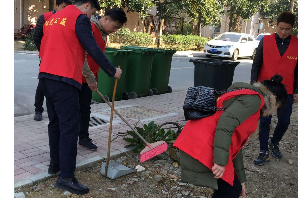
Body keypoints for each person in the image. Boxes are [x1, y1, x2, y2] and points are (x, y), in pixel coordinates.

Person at [38, 0, 122, 195]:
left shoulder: (54, 18)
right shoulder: (80, 19)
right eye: (93, 11)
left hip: (45, 76)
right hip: (64, 78)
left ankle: (55, 166)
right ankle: (66, 178)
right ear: (86, 5)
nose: (92, 16)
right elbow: (92, 48)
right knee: (69, 127)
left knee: (55, 123)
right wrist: (111, 71)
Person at [174, 75, 288, 198]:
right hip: (201, 144)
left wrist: (241, 179)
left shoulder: (249, 96)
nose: (275, 111)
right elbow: (225, 124)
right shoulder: (255, 100)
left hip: (203, 141)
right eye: (278, 107)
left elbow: (235, 145)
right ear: (275, 99)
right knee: (231, 190)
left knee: (232, 188)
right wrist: (220, 162)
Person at [251, 11, 298, 166]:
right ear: (276, 26)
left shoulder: (297, 44)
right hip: (266, 89)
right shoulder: (266, 41)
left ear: (292, 28)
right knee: (265, 120)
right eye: (281, 28)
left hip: (287, 91)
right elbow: (256, 63)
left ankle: (274, 142)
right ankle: (263, 151)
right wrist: (253, 84)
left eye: (287, 29)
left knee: (284, 121)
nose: (283, 32)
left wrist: (296, 91)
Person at [78, 8, 127, 151]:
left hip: (88, 78)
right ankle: (76, 138)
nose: (115, 30)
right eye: (115, 26)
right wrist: (91, 77)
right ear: (106, 19)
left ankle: (83, 137)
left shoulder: (101, 32)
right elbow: (83, 57)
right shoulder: (90, 28)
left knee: (85, 109)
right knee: (77, 110)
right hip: (79, 77)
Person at [33, 0, 72, 121]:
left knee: (59, 83)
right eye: (63, 7)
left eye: (67, 7)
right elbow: (37, 36)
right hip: (46, 57)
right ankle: (38, 109)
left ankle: (56, 109)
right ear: (56, 5)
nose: (65, 10)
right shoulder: (45, 17)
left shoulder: (68, 19)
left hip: (62, 57)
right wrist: (44, 52)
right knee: (43, 83)